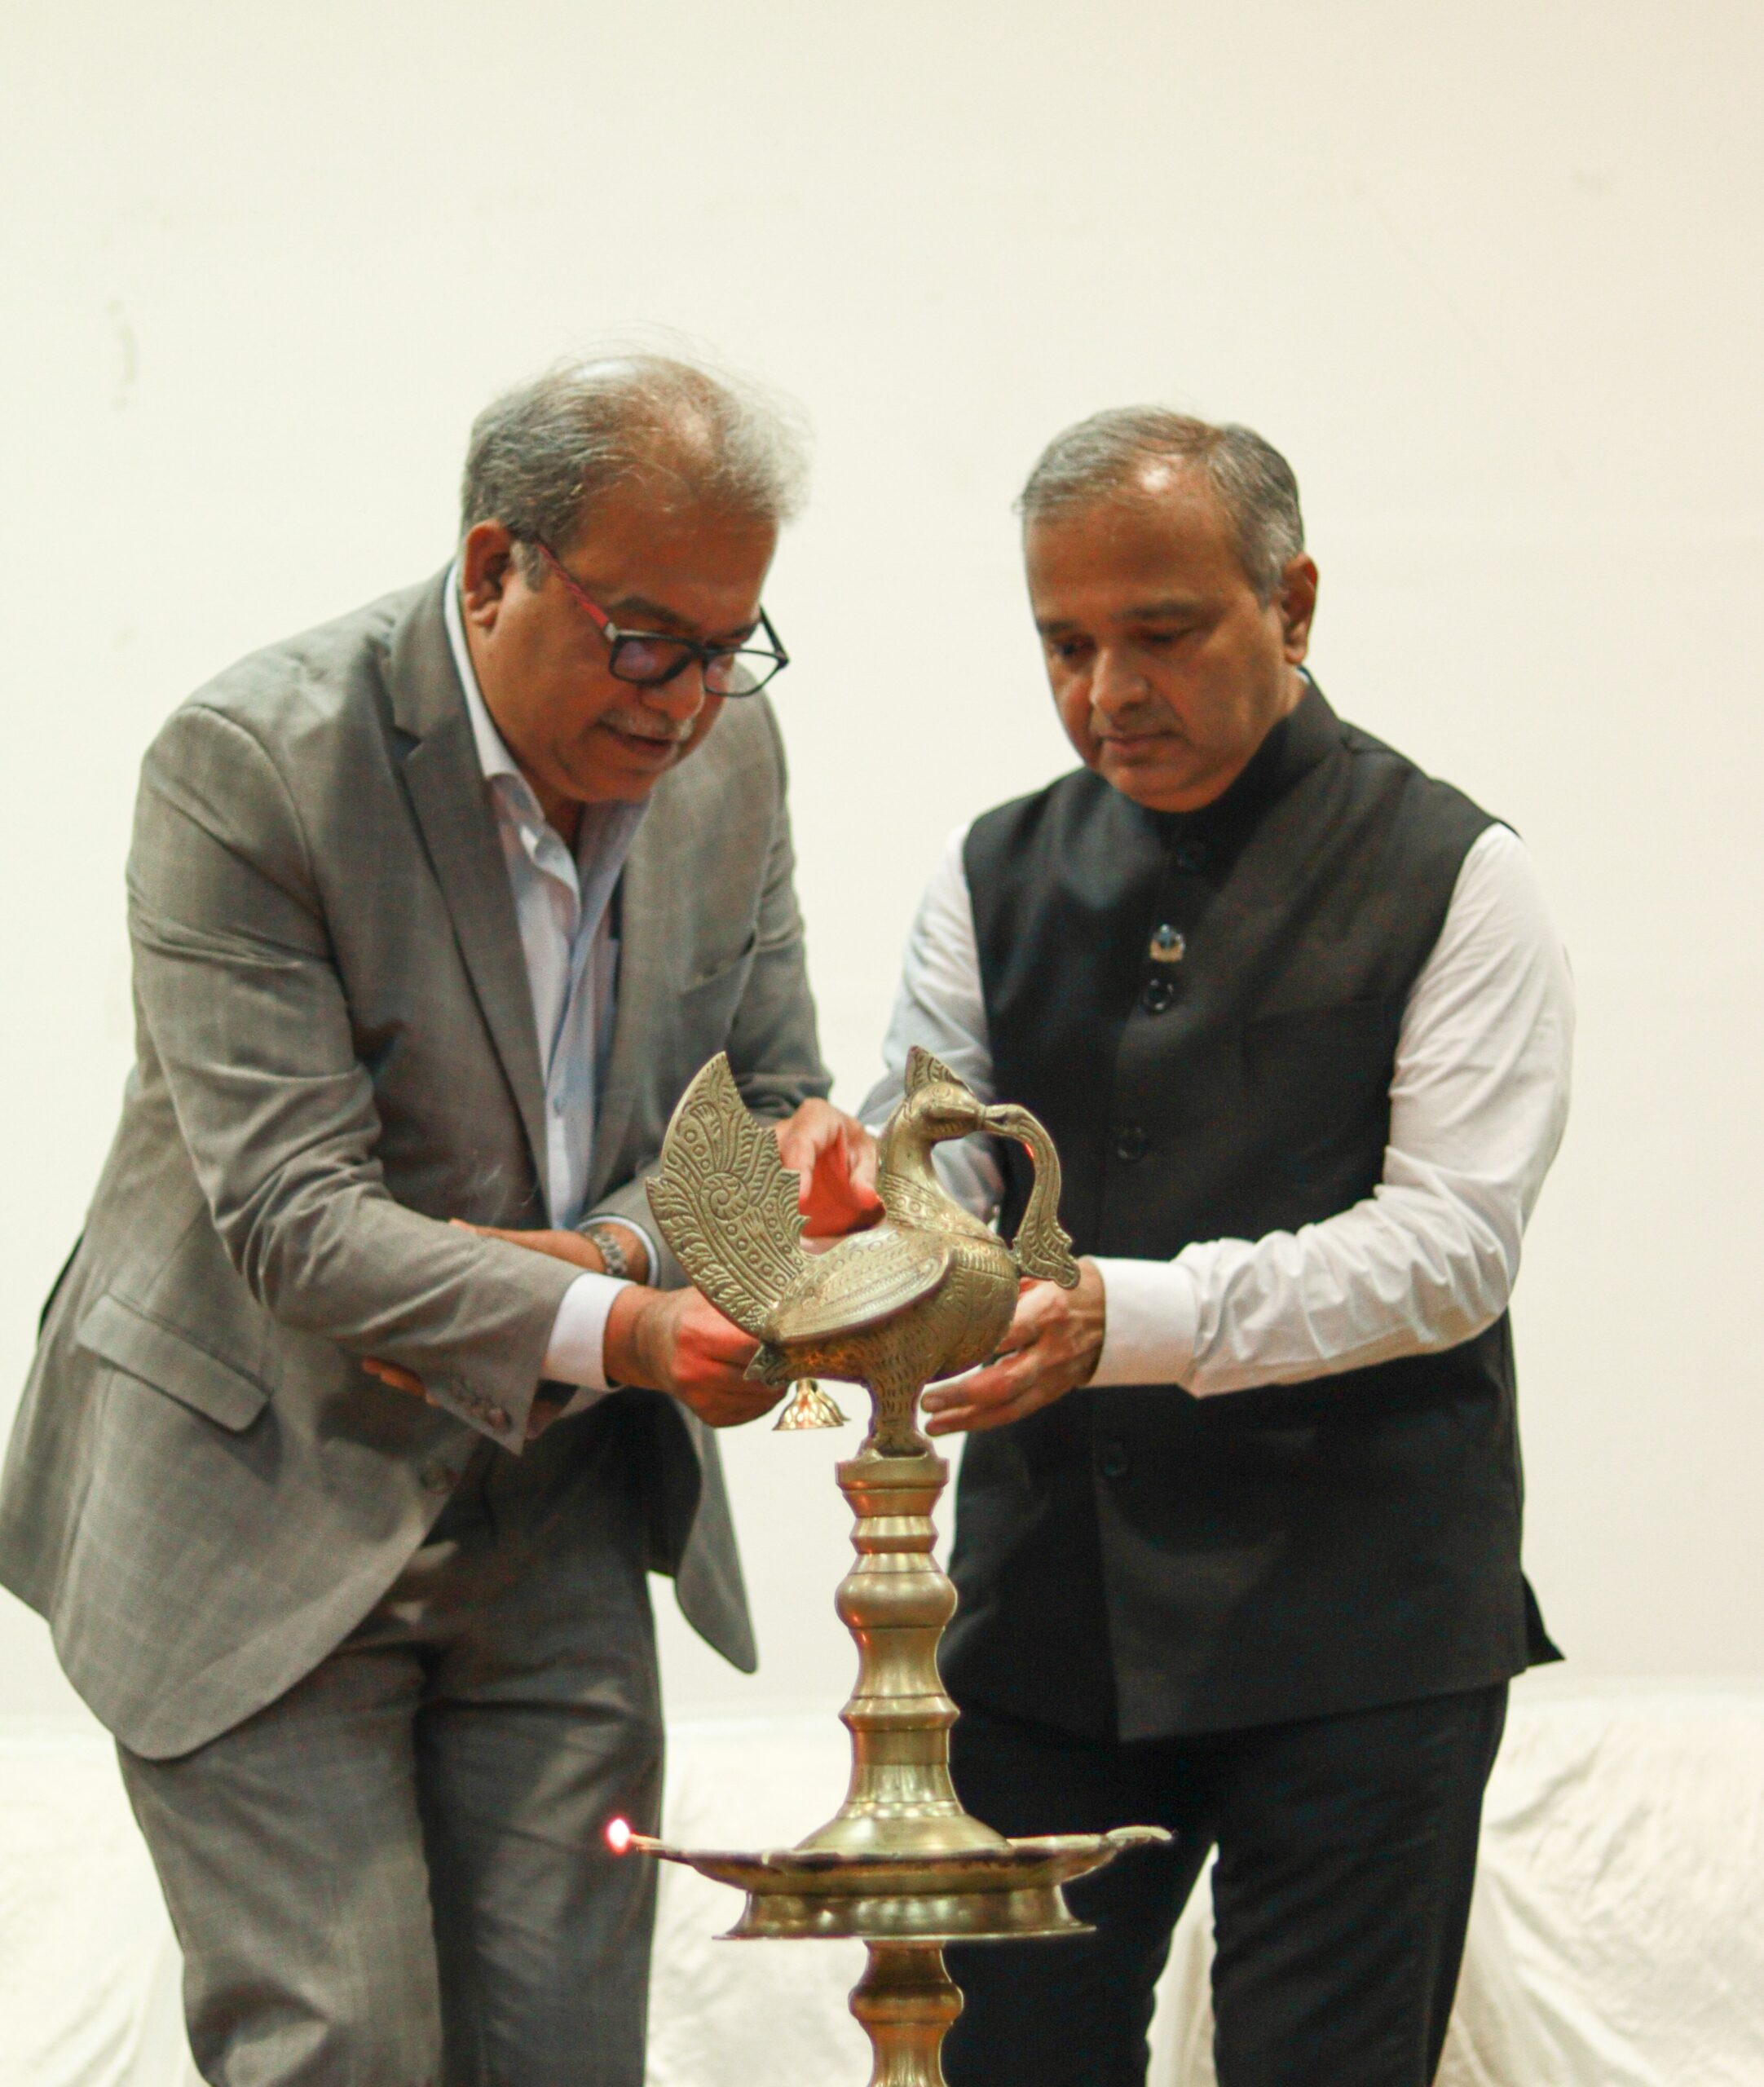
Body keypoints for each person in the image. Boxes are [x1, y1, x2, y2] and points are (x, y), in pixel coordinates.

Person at [0, 351, 878, 2087]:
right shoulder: (255, 765)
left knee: (567, 2056)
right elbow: (296, 1220)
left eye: (731, 648)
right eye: (650, 641)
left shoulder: (732, 763)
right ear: (494, 569)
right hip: (260, 1493)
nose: (690, 704)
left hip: (558, 1507)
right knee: (346, 2049)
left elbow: (769, 1110)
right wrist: (634, 1327)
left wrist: (610, 1266)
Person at [865, 408, 1573, 2087]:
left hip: (1359, 1629)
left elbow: (1450, 1247)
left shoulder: (1456, 873)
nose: (1108, 689)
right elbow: (931, 1167)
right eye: (1064, 643)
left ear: (1293, 603)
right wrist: (865, 1216)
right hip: (1043, 1621)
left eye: (1162, 634)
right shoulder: (990, 868)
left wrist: (1124, 1315)